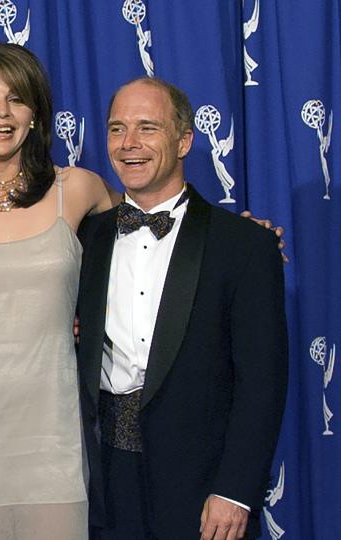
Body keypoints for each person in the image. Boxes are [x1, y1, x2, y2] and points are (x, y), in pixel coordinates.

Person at [77, 77, 288, 540]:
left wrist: (234, 490)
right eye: (116, 129)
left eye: (147, 128)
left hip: (202, 489)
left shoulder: (245, 245)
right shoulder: (83, 238)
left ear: (184, 140)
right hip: (104, 488)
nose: (128, 144)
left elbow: (262, 382)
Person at [0, 43, 117, 539]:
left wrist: (241, 239)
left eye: (17, 99)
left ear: (35, 115)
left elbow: (153, 254)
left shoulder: (78, 189)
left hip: (55, 444)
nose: (1, 113)